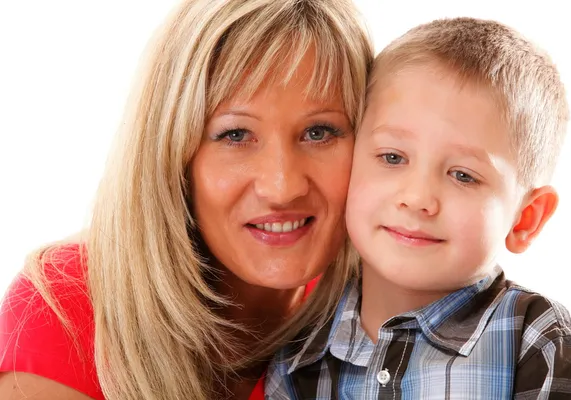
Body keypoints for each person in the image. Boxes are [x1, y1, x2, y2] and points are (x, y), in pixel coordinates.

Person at [0, 0, 373, 399]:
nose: (281, 187)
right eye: (234, 135)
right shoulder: (71, 306)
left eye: (319, 132)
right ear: (171, 153)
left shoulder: (391, 310)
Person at [266, 17, 571, 399]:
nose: (418, 198)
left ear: (527, 218)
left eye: (463, 175)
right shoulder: (300, 352)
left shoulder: (542, 343)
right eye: (392, 157)